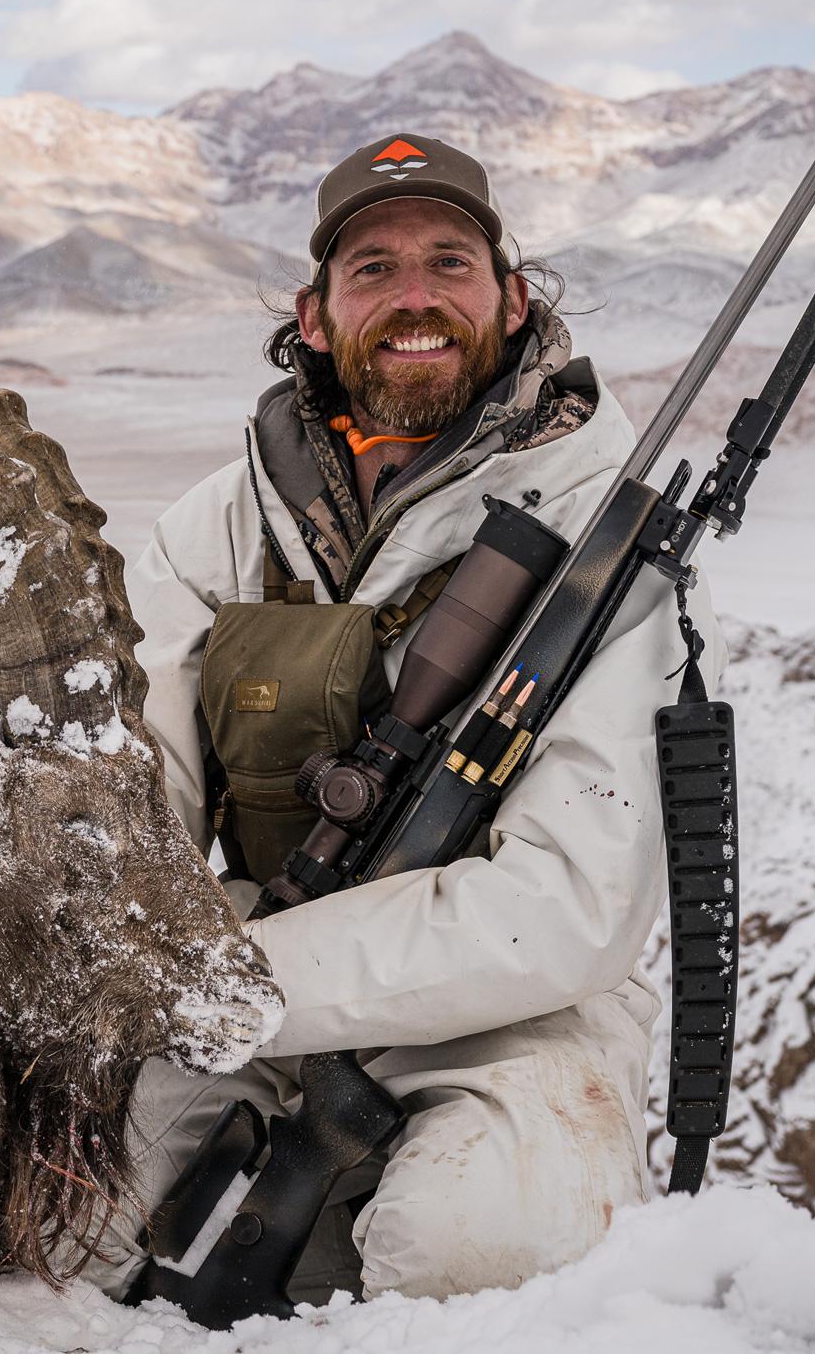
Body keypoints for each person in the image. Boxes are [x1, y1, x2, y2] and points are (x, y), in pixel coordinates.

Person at [84, 134, 728, 1304]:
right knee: (77, 1230)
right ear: (317, 315)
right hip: (240, 959)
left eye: (450, 262)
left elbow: (565, 915)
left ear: (513, 297)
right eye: (372, 269)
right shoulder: (212, 529)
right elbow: (140, 812)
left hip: (514, 1008)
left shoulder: (609, 554)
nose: (414, 295)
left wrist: (232, 977)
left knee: (475, 1253)